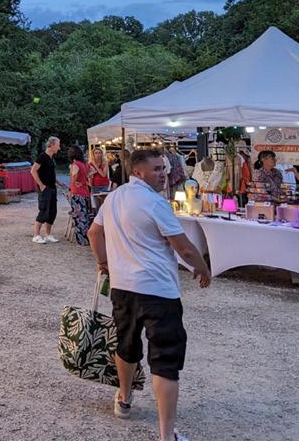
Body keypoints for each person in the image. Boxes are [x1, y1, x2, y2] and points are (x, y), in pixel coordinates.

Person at [89, 148, 211, 441]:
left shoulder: (114, 197)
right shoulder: (156, 204)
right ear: (138, 171)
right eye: (156, 169)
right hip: (158, 290)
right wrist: (204, 268)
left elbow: (94, 233)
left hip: (123, 287)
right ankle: (166, 435)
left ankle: (124, 399)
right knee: (165, 360)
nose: (163, 173)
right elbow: (183, 247)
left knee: (127, 346)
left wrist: (104, 263)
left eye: (163, 168)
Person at [30, 136, 61, 244]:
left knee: (52, 211)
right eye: (58, 145)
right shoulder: (42, 156)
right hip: (45, 188)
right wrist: (41, 185)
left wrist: (57, 182)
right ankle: (36, 235)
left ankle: (48, 235)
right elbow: (33, 171)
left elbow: (49, 173)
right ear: (52, 145)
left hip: (52, 187)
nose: (59, 148)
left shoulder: (51, 158)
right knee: (44, 210)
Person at [67, 145, 94, 245]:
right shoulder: (84, 164)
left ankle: (82, 240)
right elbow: (92, 172)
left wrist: (74, 184)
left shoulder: (75, 164)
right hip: (85, 192)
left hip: (77, 192)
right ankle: (86, 238)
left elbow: (73, 179)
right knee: (85, 216)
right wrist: (84, 181)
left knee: (79, 217)